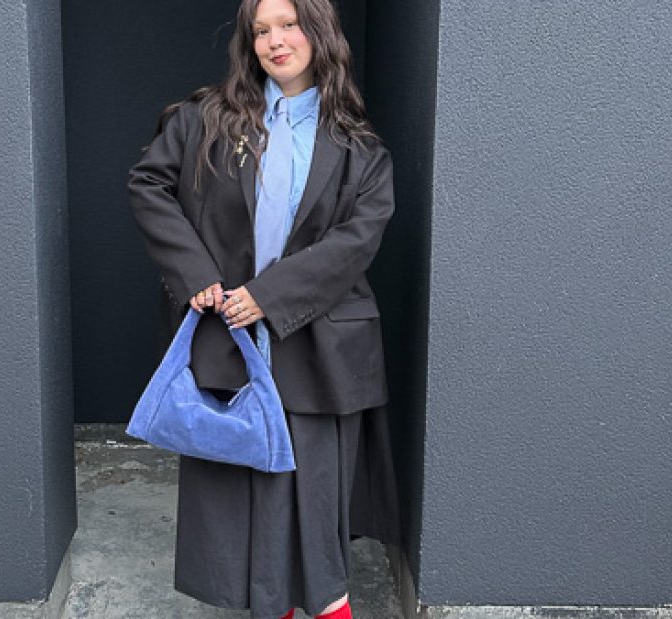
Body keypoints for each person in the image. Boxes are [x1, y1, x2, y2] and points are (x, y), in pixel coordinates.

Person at [128, 0, 399, 617]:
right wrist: (195, 272)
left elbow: (358, 240)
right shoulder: (206, 119)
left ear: (320, 31)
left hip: (319, 348)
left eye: (289, 24)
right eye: (261, 30)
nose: (275, 41)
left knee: (312, 500)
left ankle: (328, 606)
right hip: (226, 339)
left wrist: (269, 297)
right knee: (236, 496)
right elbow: (148, 185)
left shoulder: (360, 147)